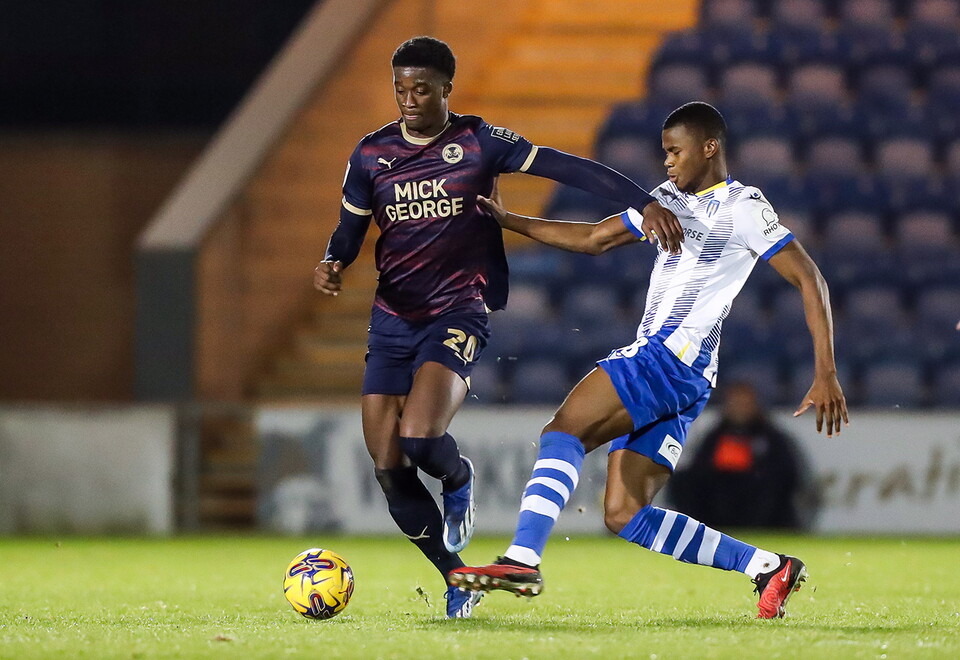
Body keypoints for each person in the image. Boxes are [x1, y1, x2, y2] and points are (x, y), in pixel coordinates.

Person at [312, 36, 684, 619]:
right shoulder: (370, 154)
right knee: (388, 468)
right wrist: (335, 260)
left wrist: (646, 202)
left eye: (422, 89)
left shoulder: (478, 142)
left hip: (458, 308)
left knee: (419, 440)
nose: (409, 100)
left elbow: (573, 167)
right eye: (401, 88)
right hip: (391, 316)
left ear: (445, 89)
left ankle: (459, 479)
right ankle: (456, 576)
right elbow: (351, 226)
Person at [449, 101, 849, 620]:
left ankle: (523, 557)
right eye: (663, 153)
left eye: (675, 151)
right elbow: (595, 238)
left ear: (709, 148)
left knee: (564, 431)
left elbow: (808, 277)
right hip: (687, 377)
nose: (666, 163)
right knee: (624, 512)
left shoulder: (743, 207)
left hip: (666, 358)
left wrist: (826, 371)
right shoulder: (665, 201)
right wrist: (510, 222)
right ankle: (768, 567)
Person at [669, 381, 814, 530]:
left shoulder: (771, 436)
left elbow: (786, 472)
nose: (740, 409)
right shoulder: (716, 435)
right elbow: (700, 466)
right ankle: (696, 529)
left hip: (755, 492)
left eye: (745, 404)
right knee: (683, 480)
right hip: (720, 491)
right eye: (735, 404)